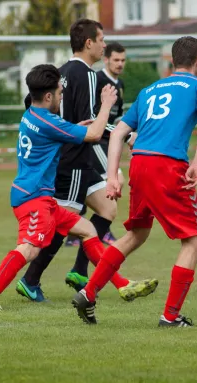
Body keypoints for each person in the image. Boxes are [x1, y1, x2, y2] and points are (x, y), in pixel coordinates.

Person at [71, 36, 197, 327]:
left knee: (136, 234)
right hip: (167, 167)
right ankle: (170, 317)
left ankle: (88, 292)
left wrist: (112, 176)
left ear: (172, 61)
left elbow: (117, 133)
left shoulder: (150, 89)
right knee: (193, 241)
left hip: (139, 165)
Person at [16, 19, 158, 303]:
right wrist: (125, 135)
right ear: (89, 42)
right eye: (102, 39)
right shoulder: (89, 76)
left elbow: (33, 104)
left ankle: (80, 270)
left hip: (79, 159)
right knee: (61, 224)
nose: (105, 44)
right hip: (73, 159)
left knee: (107, 209)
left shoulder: (60, 72)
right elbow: (90, 127)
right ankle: (30, 279)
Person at [0, 64, 125, 311]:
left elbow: (62, 132)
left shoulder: (32, 114)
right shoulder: (48, 121)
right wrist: (106, 103)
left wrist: (78, 128)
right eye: (60, 93)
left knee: (88, 229)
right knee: (29, 249)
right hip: (33, 198)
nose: (62, 97)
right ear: (48, 96)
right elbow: (96, 135)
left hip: (43, 199)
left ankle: (121, 284)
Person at [65, 41, 128, 248]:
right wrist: (125, 136)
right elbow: (91, 118)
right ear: (107, 59)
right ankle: (96, 231)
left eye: (123, 60)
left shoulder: (120, 85)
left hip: (106, 140)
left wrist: (126, 130)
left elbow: (116, 118)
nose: (120, 64)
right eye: (116, 60)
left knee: (105, 187)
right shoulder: (96, 78)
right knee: (115, 180)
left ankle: (88, 231)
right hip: (95, 142)